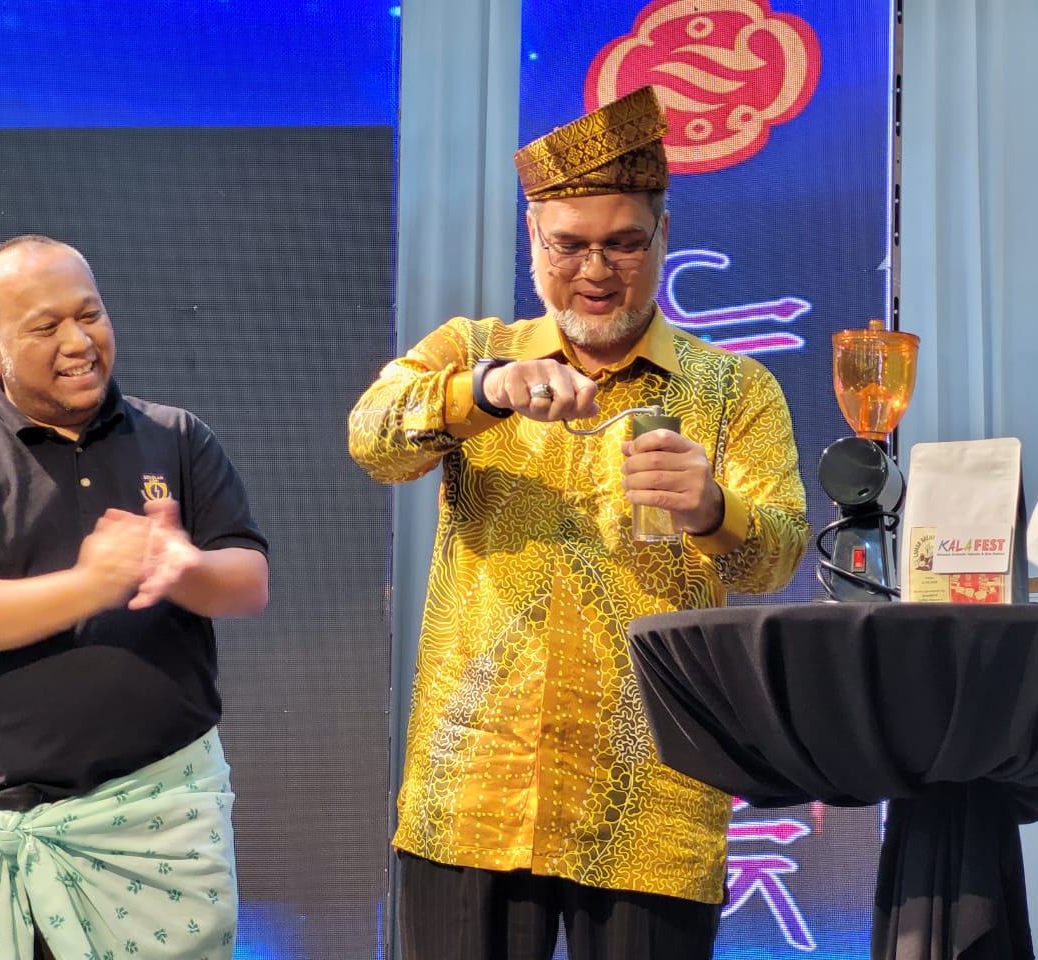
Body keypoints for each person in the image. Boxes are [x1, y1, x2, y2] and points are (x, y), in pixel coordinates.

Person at [349, 86, 808, 960]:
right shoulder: (472, 351)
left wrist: (712, 509)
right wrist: (485, 391)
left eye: (624, 243)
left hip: (652, 791)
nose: (596, 271)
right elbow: (372, 439)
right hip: (474, 788)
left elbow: (776, 558)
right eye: (570, 245)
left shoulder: (733, 389)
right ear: (534, 239)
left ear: (664, 238)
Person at [0, 235, 270, 960]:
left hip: (168, 829)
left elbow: (248, 581)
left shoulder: (176, 437)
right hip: (19, 826)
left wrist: (183, 567)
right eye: (45, 327)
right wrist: (89, 586)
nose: (78, 342)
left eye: (90, 314)